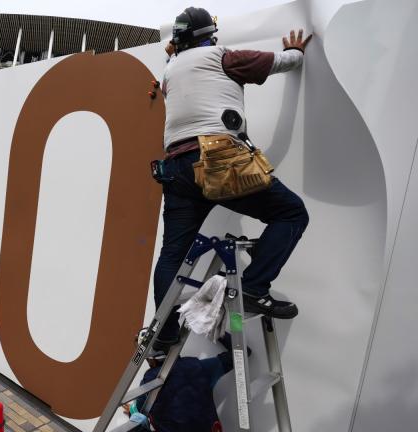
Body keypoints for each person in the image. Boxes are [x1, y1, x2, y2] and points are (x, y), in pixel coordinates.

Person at [153, 7, 312, 347]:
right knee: (292, 213)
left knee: (171, 256)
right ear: (208, 35)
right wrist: (295, 52)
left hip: (176, 169)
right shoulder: (220, 56)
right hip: (217, 158)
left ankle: (163, 337)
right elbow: (283, 63)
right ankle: (254, 287)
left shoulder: (169, 72)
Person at [126, 335, 247, 432]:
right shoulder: (200, 368)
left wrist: (132, 412)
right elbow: (241, 351)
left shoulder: (148, 386)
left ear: (150, 360)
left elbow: (137, 412)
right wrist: (215, 330)